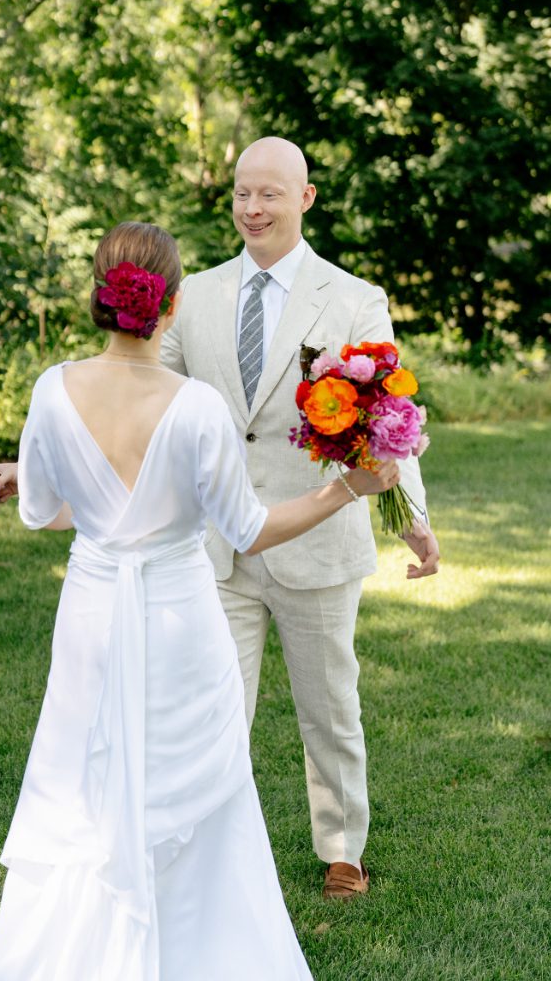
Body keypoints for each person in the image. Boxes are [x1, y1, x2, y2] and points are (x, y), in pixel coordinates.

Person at [0, 221, 400, 981]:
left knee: (84, 781)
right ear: (172, 303)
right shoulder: (194, 407)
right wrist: (347, 490)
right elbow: (248, 530)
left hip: (95, 614)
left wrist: (54, 493)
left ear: (101, 292)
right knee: (198, 791)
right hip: (181, 620)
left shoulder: (52, 391)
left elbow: (46, 508)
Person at [159, 136, 440, 902]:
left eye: (270, 194)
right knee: (215, 708)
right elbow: (151, 397)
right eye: (243, 194)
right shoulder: (198, 294)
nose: (253, 208)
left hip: (319, 540)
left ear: (305, 198)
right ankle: (207, 850)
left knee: (329, 707)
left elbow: (390, 418)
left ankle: (343, 848)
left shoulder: (353, 298)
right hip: (217, 544)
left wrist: (412, 516)